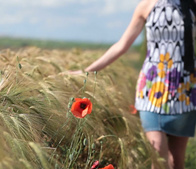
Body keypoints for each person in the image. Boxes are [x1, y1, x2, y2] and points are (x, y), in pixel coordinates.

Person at [66, 0, 196, 169]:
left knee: (177, 162)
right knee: (159, 157)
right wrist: (87, 71)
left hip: (184, 90)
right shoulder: (146, 6)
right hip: (151, 88)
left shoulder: (191, 5)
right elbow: (121, 46)